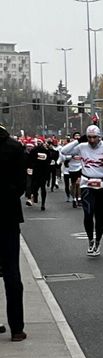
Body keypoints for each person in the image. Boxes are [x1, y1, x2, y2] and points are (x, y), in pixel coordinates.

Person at [60, 125, 103, 256]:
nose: (91, 140)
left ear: (99, 136)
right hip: (87, 183)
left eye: (94, 137)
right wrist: (78, 140)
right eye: (89, 137)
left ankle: (98, 242)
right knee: (88, 213)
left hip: (102, 183)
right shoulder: (82, 147)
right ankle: (90, 240)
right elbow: (64, 151)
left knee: (100, 215)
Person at [0, 124, 27, 341]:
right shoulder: (15, 147)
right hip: (8, 214)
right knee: (12, 272)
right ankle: (16, 327)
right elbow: (21, 184)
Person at [27, 138, 53, 211]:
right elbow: (30, 160)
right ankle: (36, 196)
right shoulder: (35, 150)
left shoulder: (46, 151)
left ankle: (43, 204)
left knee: (42, 188)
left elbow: (48, 161)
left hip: (42, 172)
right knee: (35, 187)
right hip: (36, 172)